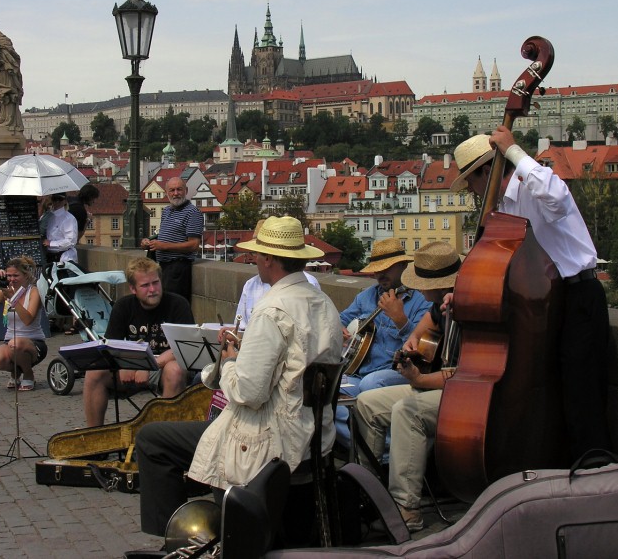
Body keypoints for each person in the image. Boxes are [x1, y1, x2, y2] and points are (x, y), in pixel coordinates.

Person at [135, 216, 344, 537]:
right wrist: (247, 349)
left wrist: (230, 361)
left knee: (152, 439)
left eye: (258, 254)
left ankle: (178, 539)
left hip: (271, 438)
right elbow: (294, 362)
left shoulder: (272, 309)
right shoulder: (324, 303)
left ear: (270, 259)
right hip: (315, 435)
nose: (253, 259)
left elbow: (248, 392)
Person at [450, 129, 611, 460]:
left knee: (582, 396)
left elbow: (559, 197)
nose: (470, 188)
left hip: (579, 294)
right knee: (561, 392)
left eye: (470, 178)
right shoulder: (504, 209)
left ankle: (597, 473)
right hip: (548, 303)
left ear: (488, 170)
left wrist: (514, 152)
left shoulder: (528, 186)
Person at [354, 241, 461, 532]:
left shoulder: (470, 310)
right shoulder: (441, 305)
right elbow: (427, 323)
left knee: (407, 409)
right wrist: (414, 337)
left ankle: (406, 508)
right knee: (367, 404)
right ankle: (369, 492)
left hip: (464, 395)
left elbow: (462, 375)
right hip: (440, 386)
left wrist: (419, 379)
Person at [335, 238, 432, 447]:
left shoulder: (421, 300)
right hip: (360, 372)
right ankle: (365, 448)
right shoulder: (367, 297)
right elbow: (339, 319)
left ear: (403, 266)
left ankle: (387, 451)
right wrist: (338, 329)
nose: (380, 274)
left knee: (372, 384)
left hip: (398, 372)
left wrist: (400, 320)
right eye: (377, 270)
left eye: (387, 268)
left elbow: (421, 349)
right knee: (329, 396)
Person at [82, 257, 195, 427]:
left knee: (176, 370)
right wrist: (127, 364)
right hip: (131, 366)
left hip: (164, 367)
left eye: (155, 283)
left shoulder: (178, 304)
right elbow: (112, 346)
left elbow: (185, 347)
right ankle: (94, 438)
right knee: (94, 373)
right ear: (133, 288)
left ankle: (165, 439)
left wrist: (149, 365)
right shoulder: (123, 306)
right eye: (145, 285)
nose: (152, 290)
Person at [0, 255, 47, 391]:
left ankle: (28, 374)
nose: (11, 279)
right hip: (10, 341)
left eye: (16, 276)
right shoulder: (7, 291)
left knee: (15, 344)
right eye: (8, 276)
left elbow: (28, 319)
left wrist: (12, 298)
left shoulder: (33, 292)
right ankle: (16, 370)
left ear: (26, 276)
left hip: (33, 342)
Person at [141, 177, 204, 302]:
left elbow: (194, 245)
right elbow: (165, 235)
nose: (176, 193)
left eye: (179, 189)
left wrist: (163, 246)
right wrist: (148, 242)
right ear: (167, 193)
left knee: (174, 307)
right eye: (172, 190)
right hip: (163, 267)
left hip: (178, 268)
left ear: (186, 190)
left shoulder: (193, 213)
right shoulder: (166, 211)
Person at [42, 194, 78, 263]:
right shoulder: (46, 216)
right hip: (49, 257)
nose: (57, 202)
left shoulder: (69, 218)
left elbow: (71, 241)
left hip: (64, 257)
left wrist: (51, 243)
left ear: (65, 201)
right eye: (55, 199)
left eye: (60, 199)